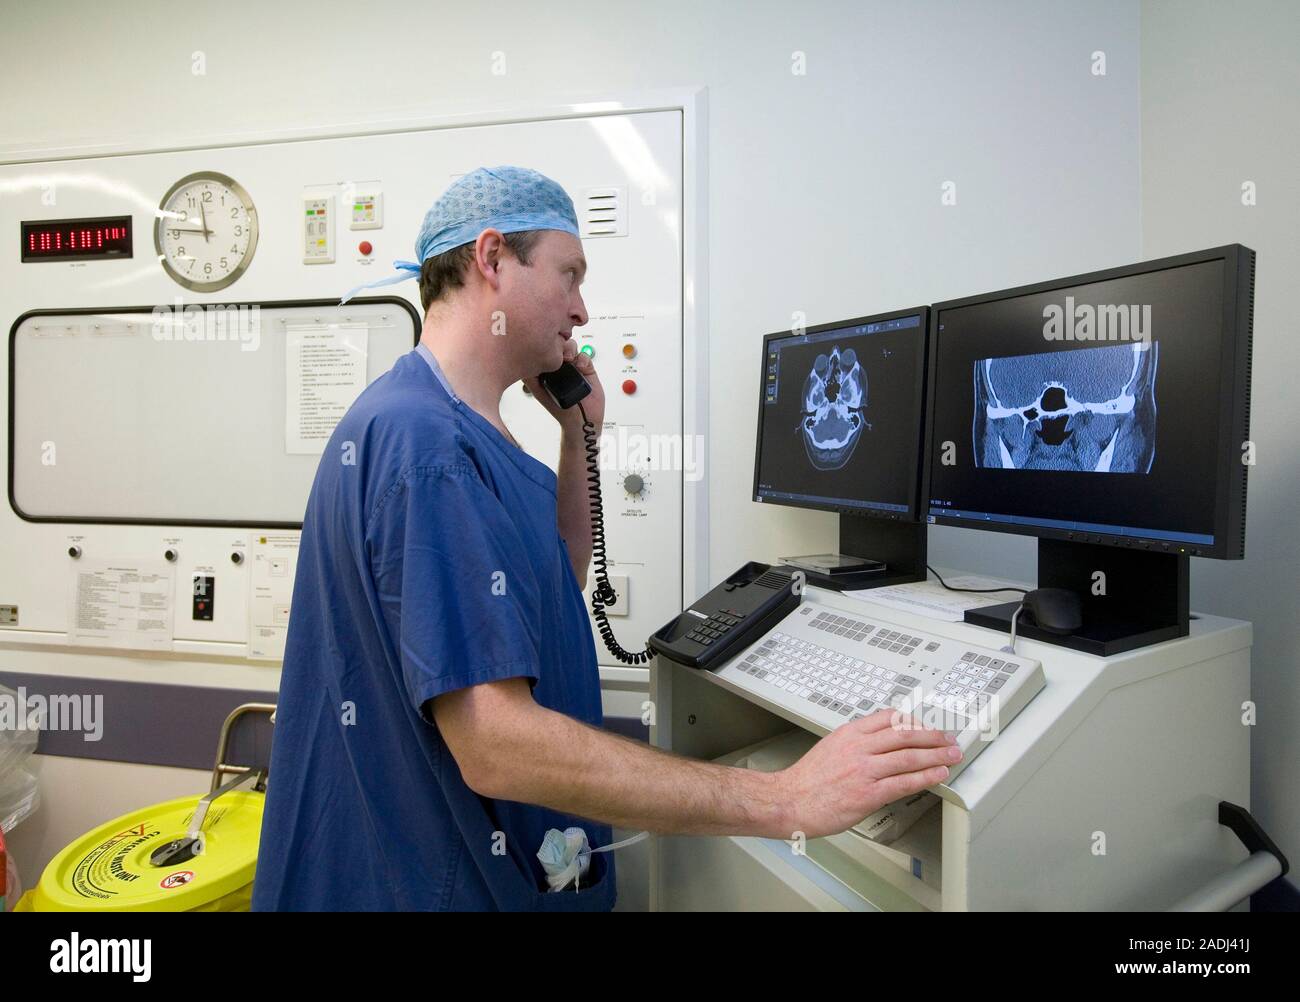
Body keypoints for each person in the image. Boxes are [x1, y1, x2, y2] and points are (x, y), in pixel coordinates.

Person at [252, 166, 960, 911]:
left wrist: (578, 436)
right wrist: (783, 798)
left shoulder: (465, 431)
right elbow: (496, 745)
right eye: (569, 275)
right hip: (424, 881)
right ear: (492, 259)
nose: (582, 311)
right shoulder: (424, 446)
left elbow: (551, 581)